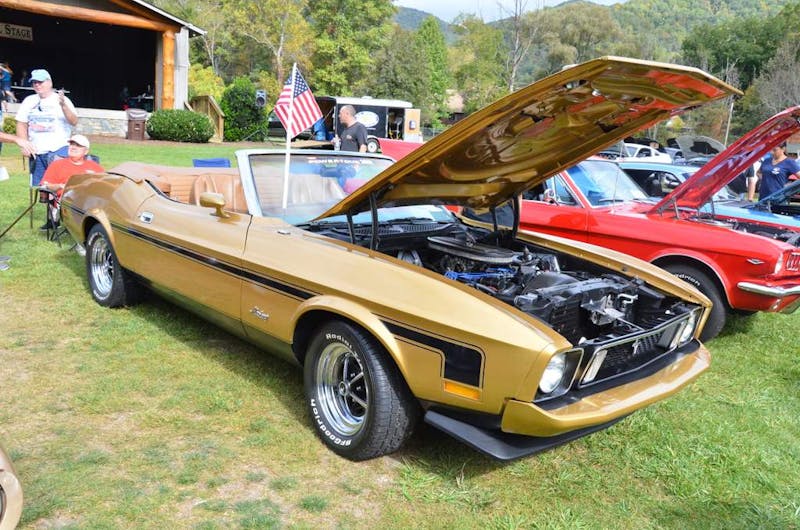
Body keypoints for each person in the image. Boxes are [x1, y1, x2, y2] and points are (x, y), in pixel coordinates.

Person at [15, 69, 79, 188]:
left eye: (40, 82)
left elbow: (74, 121)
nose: (37, 85)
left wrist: (63, 106)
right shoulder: (29, 101)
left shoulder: (62, 100)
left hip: (58, 150)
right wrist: (24, 144)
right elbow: (21, 123)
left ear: (49, 82)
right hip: (36, 152)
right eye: (34, 82)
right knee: (41, 188)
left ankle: (57, 207)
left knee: (59, 186)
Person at [38, 134, 103, 230]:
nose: (73, 147)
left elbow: (103, 184)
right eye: (71, 144)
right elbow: (46, 185)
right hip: (66, 201)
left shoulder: (94, 167)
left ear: (86, 151)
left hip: (91, 201)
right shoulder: (57, 165)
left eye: (77, 145)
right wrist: (61, 186)